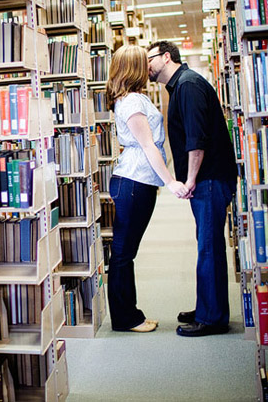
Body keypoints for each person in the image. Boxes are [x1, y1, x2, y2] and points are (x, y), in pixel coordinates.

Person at [147, 40, 238, 337]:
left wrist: (190, 179)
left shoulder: (188, 85)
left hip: (209, 179)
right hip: (207, 180)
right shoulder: (181, 85)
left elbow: (197, 140)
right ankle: (207, 308)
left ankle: (212, 319)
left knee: (209, 247)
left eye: (150, 58)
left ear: (166, 56)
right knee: (206, 245)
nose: (146, 65)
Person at [106, 45, 190, 333]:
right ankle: (126, 319)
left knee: (126, 253)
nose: (149, 67)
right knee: (123, 254)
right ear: (134, 68)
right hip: (133, 181)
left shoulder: (134, 98)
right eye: (144, 62)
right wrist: (171, 182)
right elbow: (147, 146)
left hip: (137, 181)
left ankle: (131, 313)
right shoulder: (131, 103)